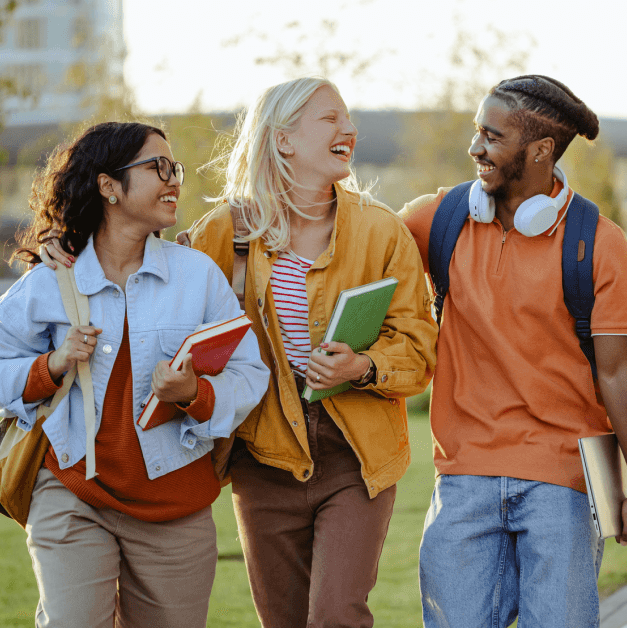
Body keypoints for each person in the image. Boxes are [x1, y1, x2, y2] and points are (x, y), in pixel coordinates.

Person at [0, 121, 270, 628]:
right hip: (72, 492)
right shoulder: (50, 281)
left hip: (176, 505)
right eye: (158, 168)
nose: (173, 180)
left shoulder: (196, 276)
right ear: (109, 186)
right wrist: (51, 365)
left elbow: (248, 372)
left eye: (174, 169)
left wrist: (195, 392)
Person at [400, 75, 627, 627]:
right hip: (463, 476)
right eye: (477, 133)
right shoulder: (439, 219)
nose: (475, 149)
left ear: (540, 150)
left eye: (491, 137)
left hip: (561, 481)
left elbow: (619, 373)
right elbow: (358, 244)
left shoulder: (596, 241)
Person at [181, 77, 438, 628]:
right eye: (330, 119)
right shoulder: (226, 233)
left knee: (335, 615)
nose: (349, 129)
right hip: (263, 454)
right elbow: (161, 299)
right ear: (282, 139)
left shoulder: (381, 232)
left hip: (355, 454)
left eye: (348, 119)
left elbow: (418, 347)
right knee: (284, 620)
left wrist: (362, 366)